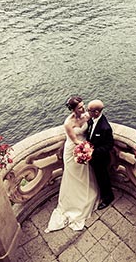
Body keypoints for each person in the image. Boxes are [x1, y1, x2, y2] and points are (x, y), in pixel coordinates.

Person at [45, 96, 99, 232]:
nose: (83, 108)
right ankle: (74, 203)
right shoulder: (68, 123)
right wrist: (87, 148)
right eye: (80, 107)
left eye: (83, 105)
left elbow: (94, 125)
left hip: (84, 146)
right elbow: (74, 140)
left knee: (85, 173)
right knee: (74, 176)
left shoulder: (87, 116)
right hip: (72, 150)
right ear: (73, 110)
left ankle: (88, 194)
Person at [86, 99, 115, 209]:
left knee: (103, 179)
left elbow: (109, 145)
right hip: (93, 158)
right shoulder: (92, 120)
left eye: (89, 110)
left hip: (101, 160)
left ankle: (108, 198)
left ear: (96, 112)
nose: (87, 112)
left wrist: (93, 151)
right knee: (98, 178)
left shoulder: (105, 127)